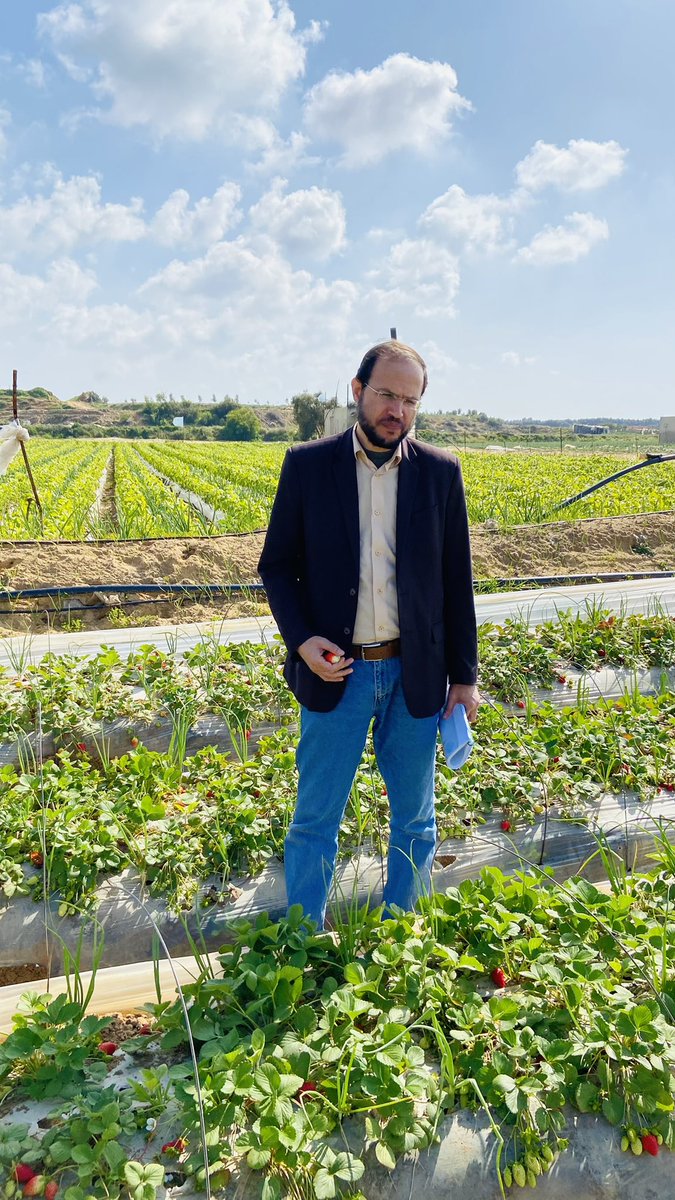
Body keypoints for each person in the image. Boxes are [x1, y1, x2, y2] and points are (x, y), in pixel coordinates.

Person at [258, 339, 479, 928]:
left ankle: (398, 933)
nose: (397, 411)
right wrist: (303, 640)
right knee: (316, 818)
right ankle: (304, 938)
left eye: (410, 401)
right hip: (339, 670)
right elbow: (277, 565)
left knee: (415, 817)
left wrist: (466, 677)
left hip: (416, 673)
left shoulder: (439, 472)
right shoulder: (308, 465)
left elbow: (457, 579)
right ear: (358, 391)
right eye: (386, 395)